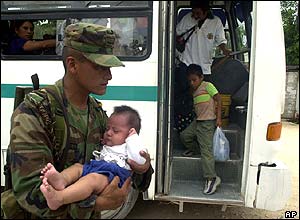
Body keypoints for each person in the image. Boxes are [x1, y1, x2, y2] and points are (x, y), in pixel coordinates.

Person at [6, 22, 153, 219]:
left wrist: (142, 168)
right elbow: (30, 192)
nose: (109, 75)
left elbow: (128, 174)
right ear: (72, 64)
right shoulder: (36, 112)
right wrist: (95, 204)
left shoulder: (98, 114)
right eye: (100, 67)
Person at [40, 105, 147, 211]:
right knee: (77, 167)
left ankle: (60, 198)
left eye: (115, 131)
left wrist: (132, 139)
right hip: (97, 166)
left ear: (130, 133)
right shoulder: (109, 142)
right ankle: (61, 180)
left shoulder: (130, 145)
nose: (109, 133)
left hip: (114, 175)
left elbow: (140, 160)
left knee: (92, 179)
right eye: (107, 129)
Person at [174, 0, 230, 132]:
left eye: (198, 13)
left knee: (203, 100)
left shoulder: (216, 22)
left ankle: (202, 127)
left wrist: (225, 50)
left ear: (206, 12)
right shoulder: (187, 19)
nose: (195, 15)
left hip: (204, 68)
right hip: (186, 64)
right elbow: (176, 35)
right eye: (193, 12)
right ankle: (184, 128)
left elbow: (221, 41)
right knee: (185, 99)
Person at [180, 64, 222, 195]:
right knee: (184, 136)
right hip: (197, 121)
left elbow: (219, 99)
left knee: (207, 151)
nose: (192, 83)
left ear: (201, 77)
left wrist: (219, 118)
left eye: (194, 80)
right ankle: (196, 150)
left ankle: (212, 178)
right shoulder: (194, 91)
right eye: (190, 81)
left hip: (208, 122)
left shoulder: (207, 86)